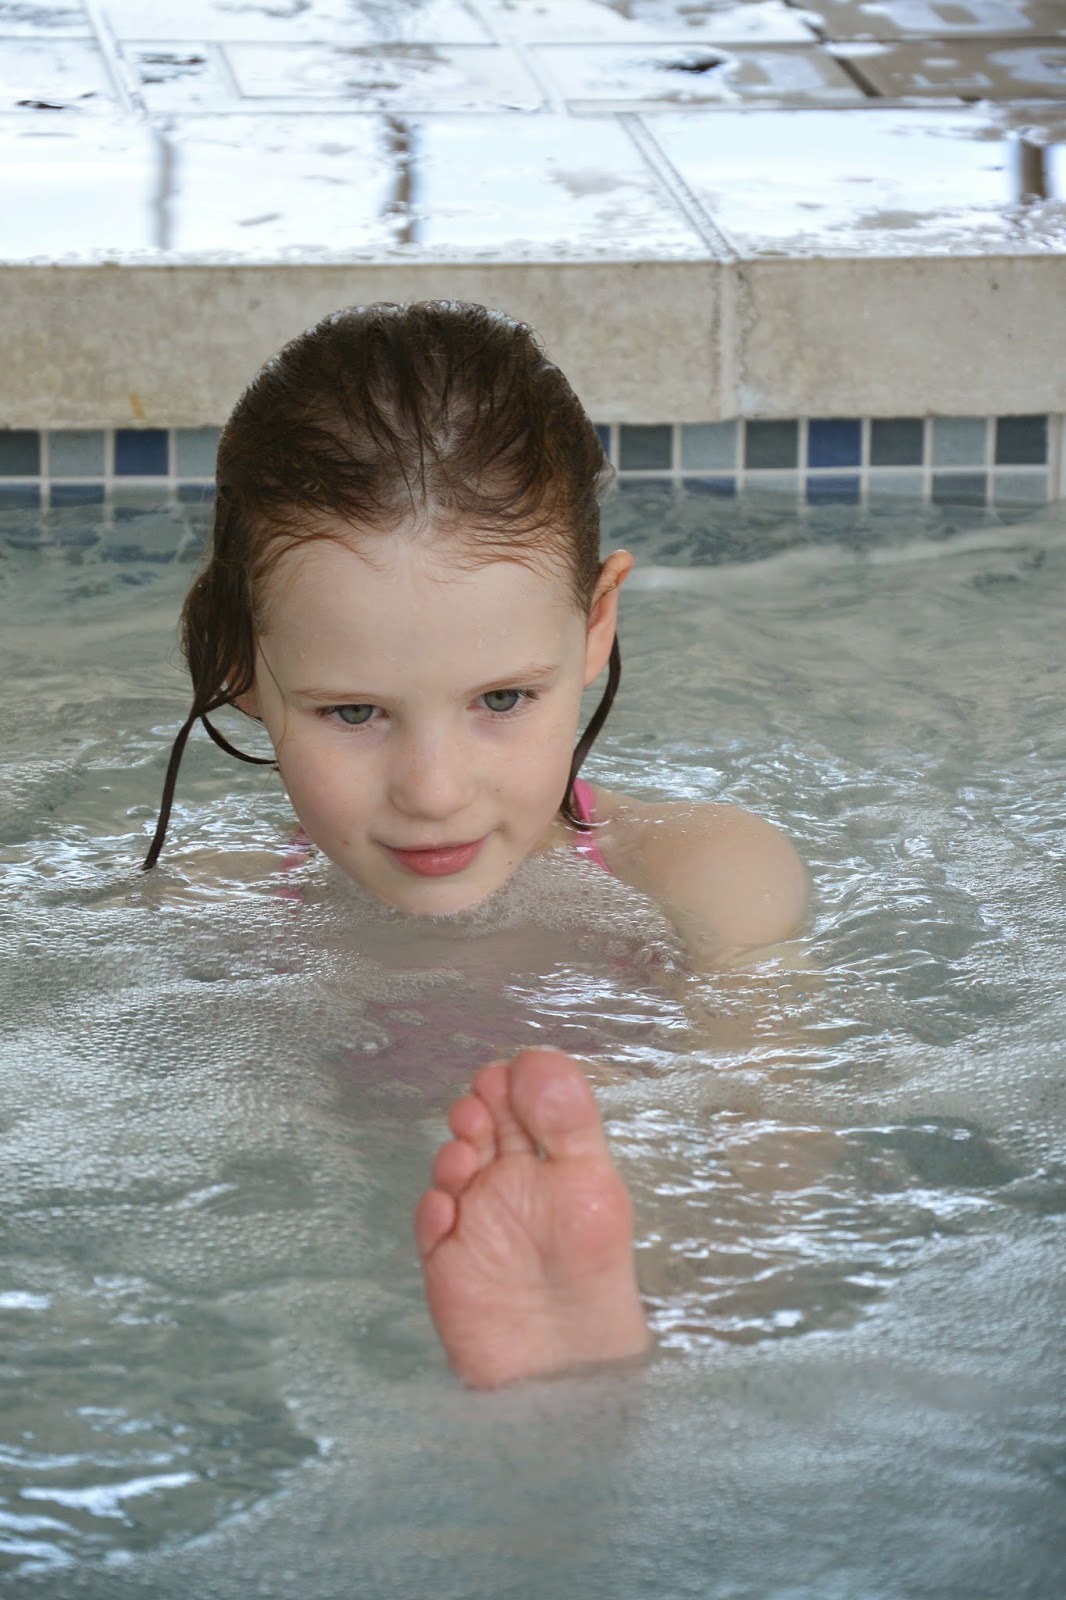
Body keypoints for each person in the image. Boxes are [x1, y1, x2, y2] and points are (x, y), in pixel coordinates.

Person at [145, 301, 809, 1387]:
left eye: (502, 698)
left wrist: (675, 1270)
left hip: (670, 1320)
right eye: (353, 712)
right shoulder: (207, 910)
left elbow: (776, 1179)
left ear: (594, 625)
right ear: (237, 662)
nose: (433, 792)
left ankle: (601, 1334)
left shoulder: (708, 881)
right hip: (357, 1345)